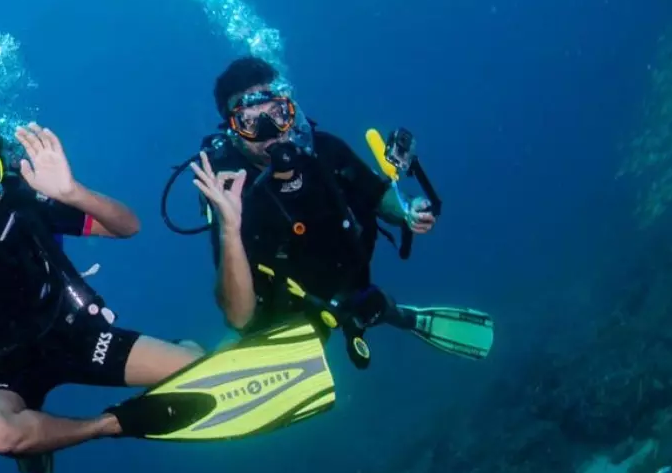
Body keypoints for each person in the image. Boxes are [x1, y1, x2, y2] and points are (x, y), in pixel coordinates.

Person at [0, 104, 335, 470]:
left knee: (197, 370)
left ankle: (178, 357)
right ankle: (106, 426)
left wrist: (70, 192)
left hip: (72, 335)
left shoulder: (24, 203)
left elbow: (128, 225)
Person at [189, 57, 491, 363]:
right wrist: (229, 228)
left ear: (290, 110)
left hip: (351, 286)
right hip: (284, 315)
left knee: (368, 306)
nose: (270, 131)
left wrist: (406, 210)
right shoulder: (231, 192)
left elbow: (377, 194)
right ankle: (196, 351)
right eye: (250, 122)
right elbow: (239, 317)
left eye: (277, 113)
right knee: (256, 342)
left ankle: (393, 314)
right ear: (233, 131)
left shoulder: (325, 150)